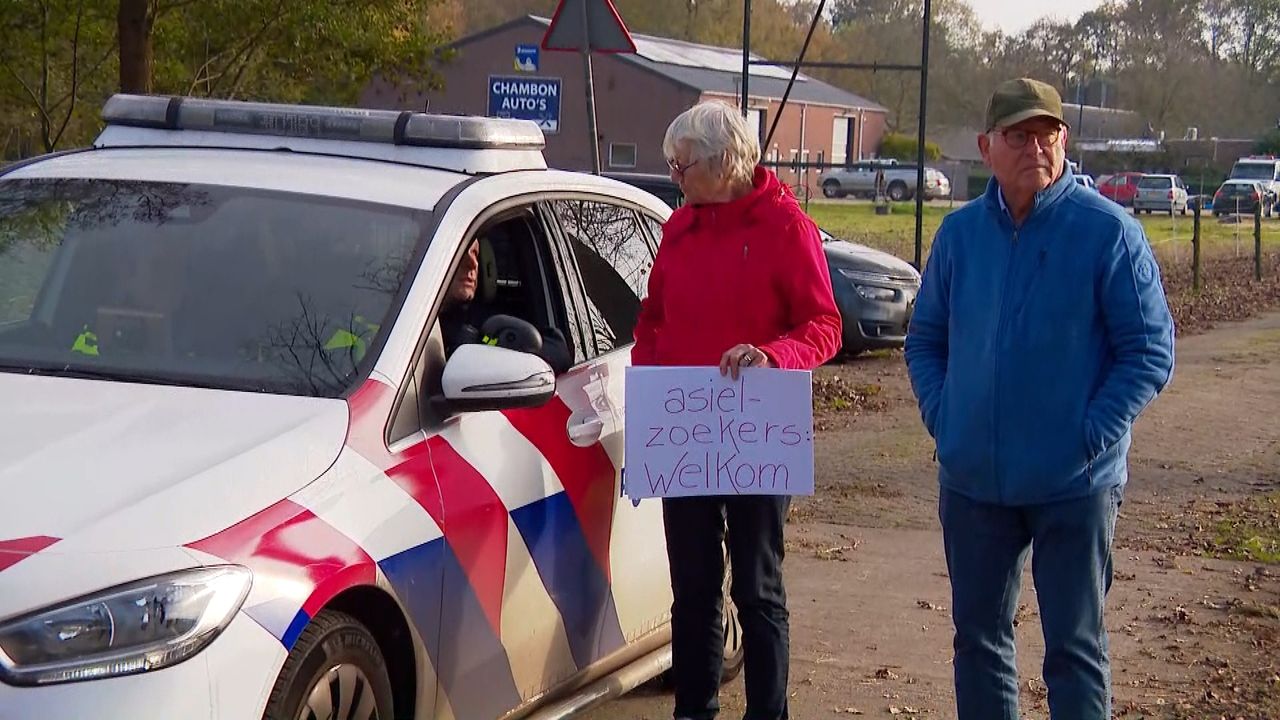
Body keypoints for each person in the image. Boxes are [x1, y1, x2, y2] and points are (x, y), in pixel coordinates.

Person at [904, 77, 1175, 720]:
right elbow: (925, 342)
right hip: (973, 485)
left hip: (1073, 486)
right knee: (979, 643)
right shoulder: (960, 236)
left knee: (1075, 650)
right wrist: (949, 423)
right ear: (985, 147)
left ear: (1064, 141)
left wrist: (1091, 432)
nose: (1034, 147)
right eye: (1017, 135)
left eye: (1046, 133)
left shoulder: (1109, 233)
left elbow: (1149, 352)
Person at [632, 100, 842, 720]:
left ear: (726, 164)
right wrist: (649, 393)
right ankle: (694, 710)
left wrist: (776, 357)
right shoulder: (681, 227)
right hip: (685, 427)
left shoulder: (786, 228)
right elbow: (653, 319)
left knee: (757, 588)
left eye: (683, 166)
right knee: (693, 589)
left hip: (756, 428)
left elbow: (824, 323)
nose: (675, 177)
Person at [437, 237, 572, 374]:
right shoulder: (415, 315)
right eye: (459, 252)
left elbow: (558, 350)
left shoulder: (491, 322)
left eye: (475, 254)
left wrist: (485, 343)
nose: (473, 263)